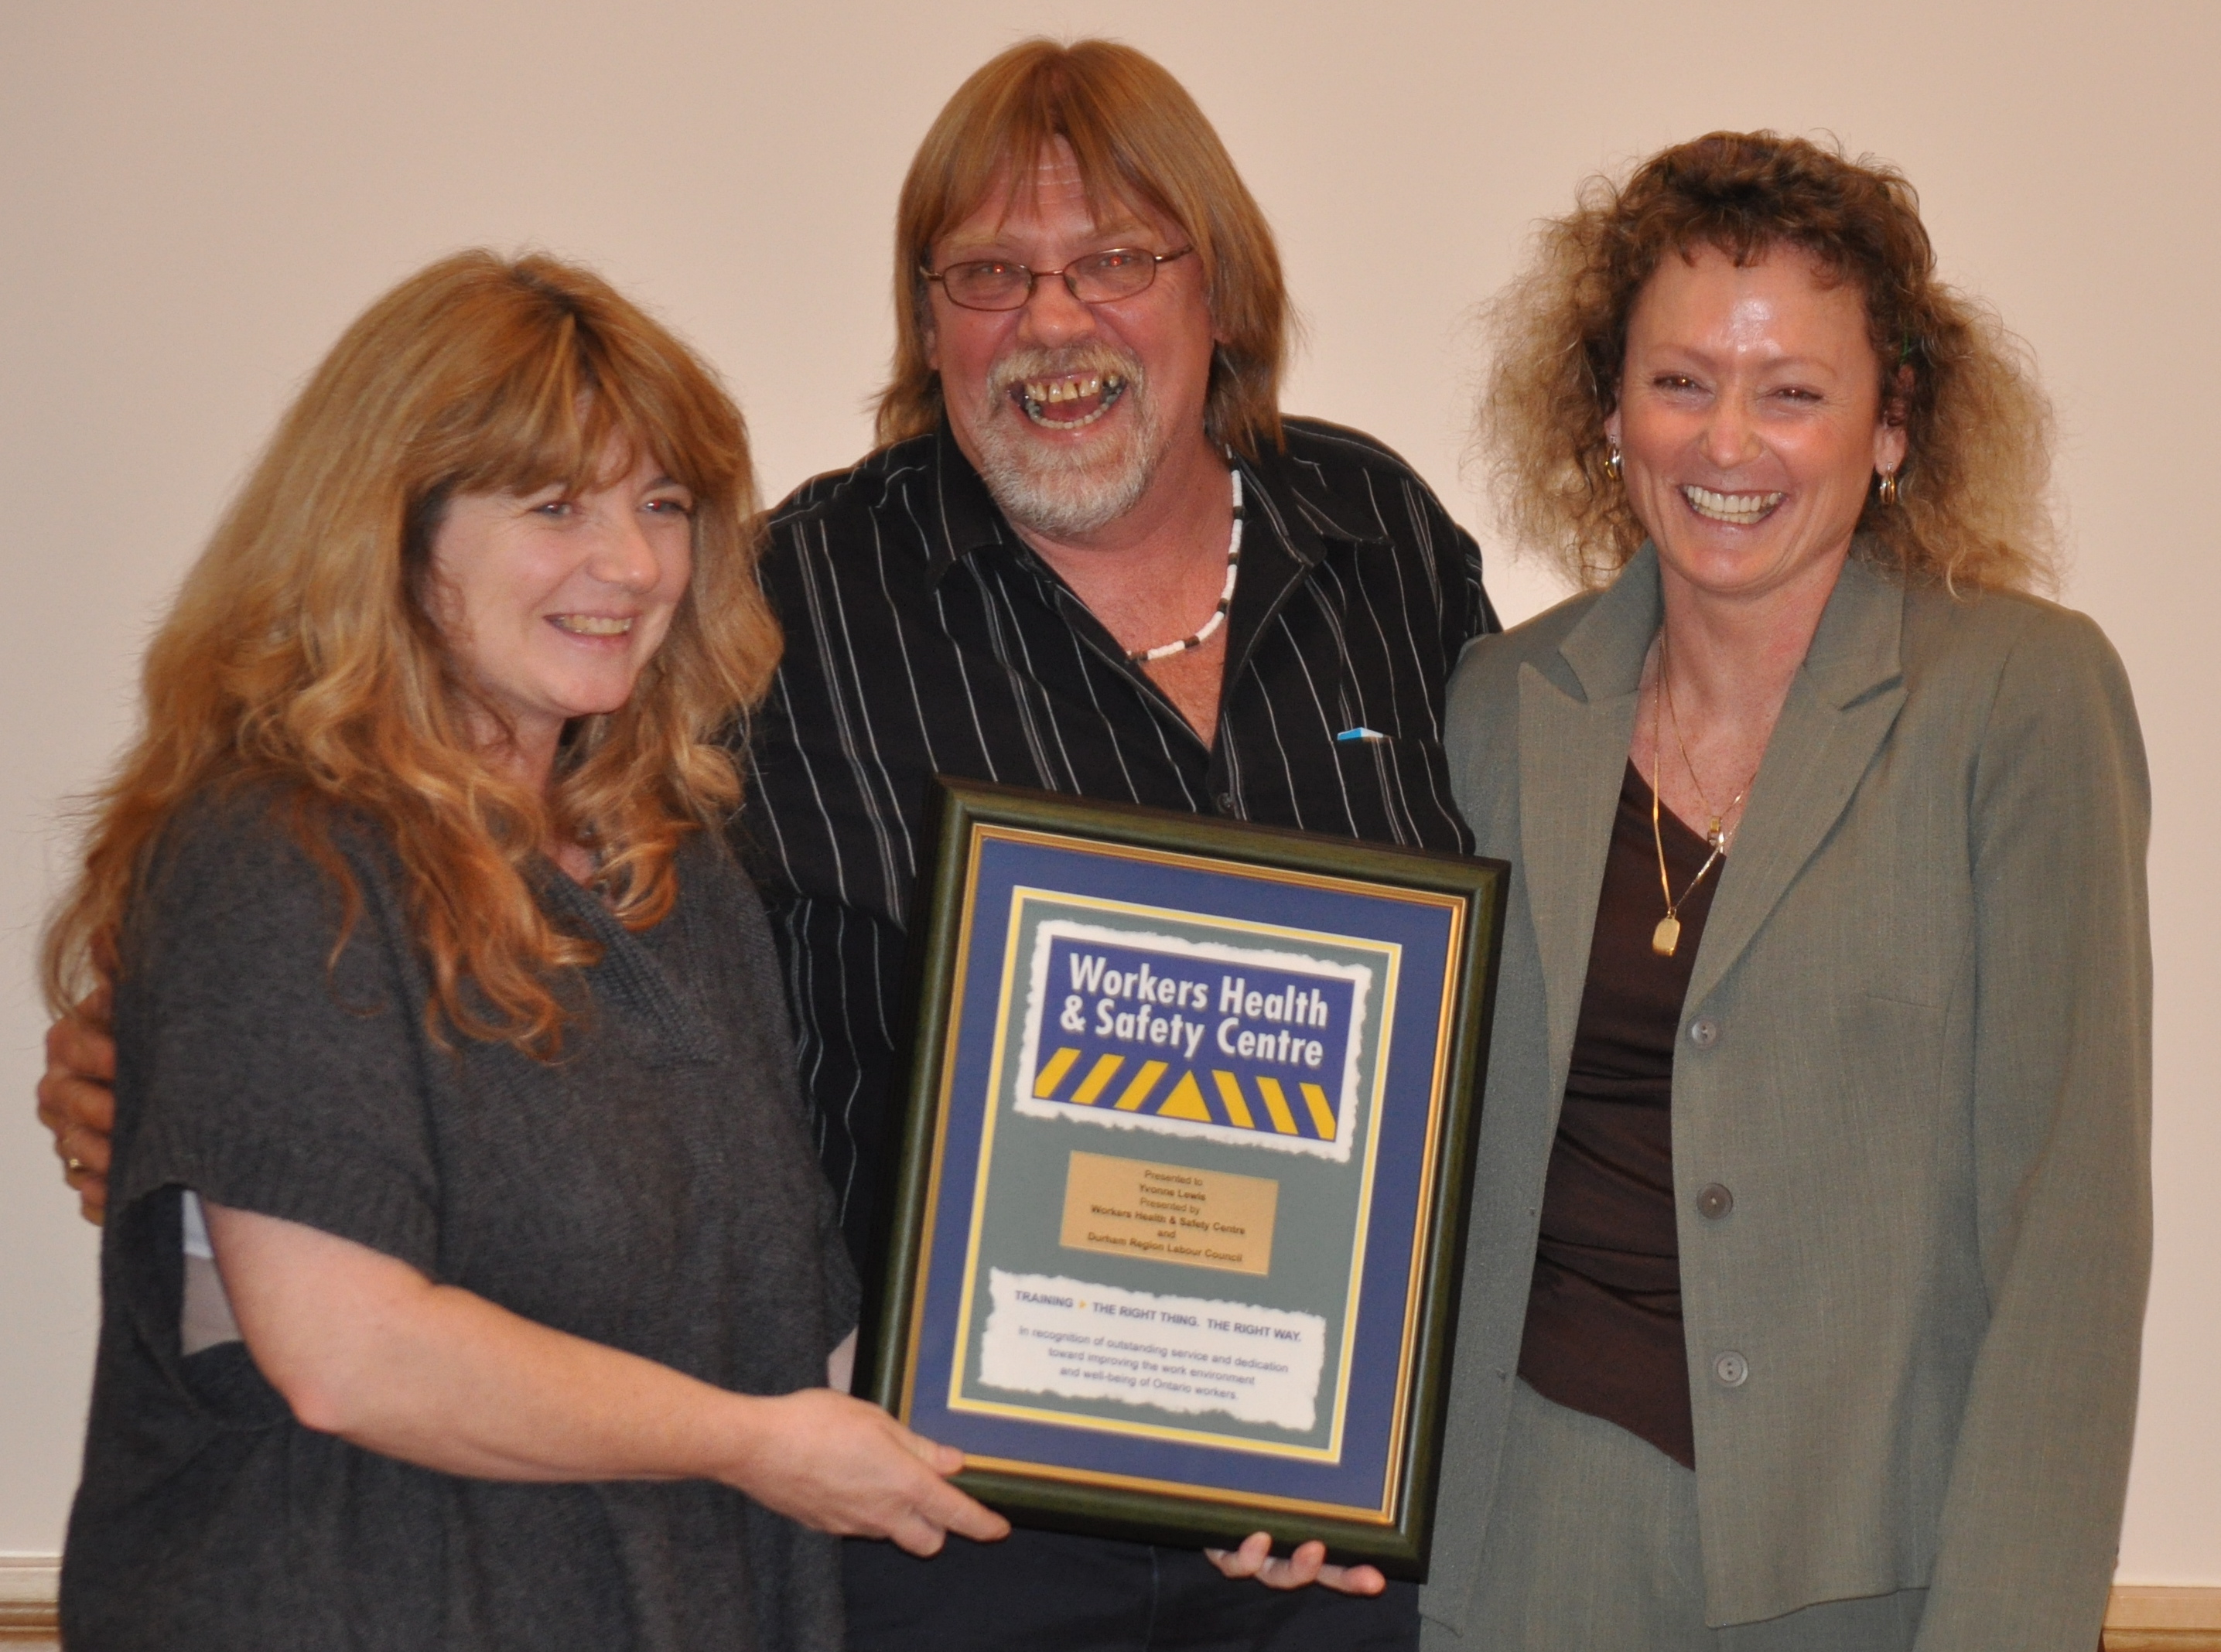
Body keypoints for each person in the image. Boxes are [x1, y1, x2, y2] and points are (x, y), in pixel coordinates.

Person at [43, 39, 1494, 1651]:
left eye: (663, 506)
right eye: (989, 273)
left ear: (1218, 289)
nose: (626, 567)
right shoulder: (778, 621)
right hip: (891, 1554)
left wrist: (1290, 1436)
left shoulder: (1381, 547)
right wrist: (174, 1072)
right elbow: (338, 1272)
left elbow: (1517, 958)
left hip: (1234, 1508)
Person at [39, 250, 1003, 1652]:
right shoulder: (280, 856)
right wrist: (749, 1442)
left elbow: (802, 1332)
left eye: (663, 504)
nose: (633, 564)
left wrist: (1218, 1461)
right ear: (393, 530)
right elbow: (350, 1351)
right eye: (555, 507)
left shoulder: (679, 877)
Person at [1419, 132, 2151, 1650]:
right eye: (1679, 381)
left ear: (1892, 424)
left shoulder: (2017, 700)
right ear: (1608, 410)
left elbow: (2067, 1237)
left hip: (1867, 1577)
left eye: (1793, 392)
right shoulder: (1497, 704)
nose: (1727, 442)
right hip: (1521, 1563)